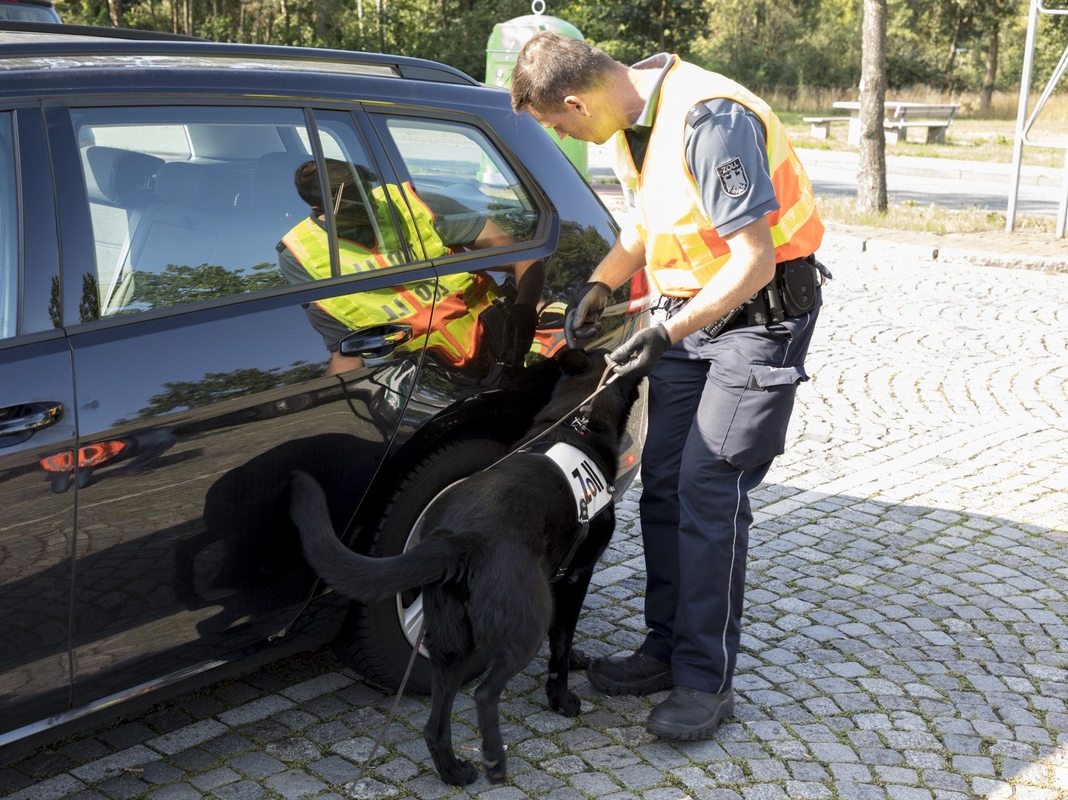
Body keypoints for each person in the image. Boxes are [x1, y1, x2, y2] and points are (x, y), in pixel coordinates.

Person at [511, 32, 827, 741]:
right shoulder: (631, 125)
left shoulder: (710, 119)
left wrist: (666, 333)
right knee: (663, 483)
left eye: (563, 127)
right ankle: (662, 646)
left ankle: (703, 680)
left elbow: (753, 261)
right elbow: (647, 226)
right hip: (690, 319)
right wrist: (600, 284)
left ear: (575, 100)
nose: (572, 138)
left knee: (709, 488)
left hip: (756, 321)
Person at [277, 159, 544, 377]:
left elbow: (521, 255)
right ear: (319, 208)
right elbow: (346, 355)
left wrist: (525, 310)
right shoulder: (301, 258)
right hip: (428, 384)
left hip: (504, 348)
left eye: (366, 194)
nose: (368, 206)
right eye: (353, 204)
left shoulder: (411, 204)